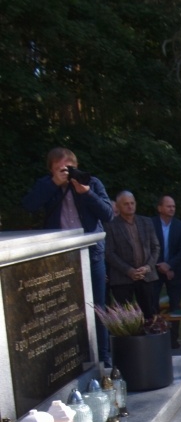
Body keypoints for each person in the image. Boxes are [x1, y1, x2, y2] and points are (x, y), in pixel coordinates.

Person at [22, 147, 115, 365]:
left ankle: (103, 357)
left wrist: (86, 193)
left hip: (92, 254)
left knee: (97, 307)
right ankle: (70, 359)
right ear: (51, 170)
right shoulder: (46, 185)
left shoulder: (91, 183)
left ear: (76, 166)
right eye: (59, 168)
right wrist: (53, 184)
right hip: (61, 257)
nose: (65, 172)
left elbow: (108, 214)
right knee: (64, 310)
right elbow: (29, 205)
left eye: (69, 167)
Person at [104, 191, 160, 319]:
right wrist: (129, 271)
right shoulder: (110, 225)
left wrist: (148, 267)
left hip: (146, 276)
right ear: (118, 206)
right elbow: (109, 253)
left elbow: (155, 247)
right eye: (126, 204)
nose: (130, 206)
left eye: (132, 203)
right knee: (125, 318)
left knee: (150, 315)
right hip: (122, 278)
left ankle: (149, 332)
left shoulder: (146, 222)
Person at [152, 196, 181, 348]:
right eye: (168, 206)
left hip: (174, 271)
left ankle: (173, 339)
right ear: (160, 208)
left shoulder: (180, 226)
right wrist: (161, 265)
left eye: (173, 206)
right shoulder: (151, 224)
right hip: (155, 270)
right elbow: (149, 247)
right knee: (152, 304)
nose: (172, 209)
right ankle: (155, 336)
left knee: (175, 306)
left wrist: (170, 266)